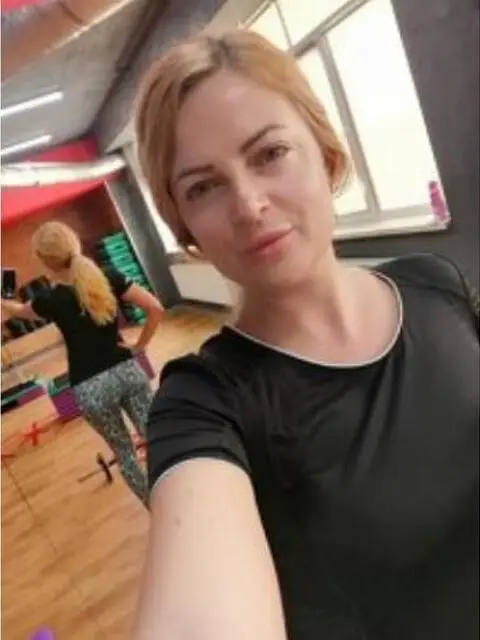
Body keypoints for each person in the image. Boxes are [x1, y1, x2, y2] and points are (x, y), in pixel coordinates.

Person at [131, 29, 479, 639]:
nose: (249, 205)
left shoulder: (436, 284)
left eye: (269, 153)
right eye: (204, 187)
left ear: (327, 153)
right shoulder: (202, 406)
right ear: (185, 228)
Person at [1, 222, 163, 506]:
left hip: (90, 388)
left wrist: (3, 296)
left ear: (45, 260)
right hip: (126, 372)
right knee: (159, 440)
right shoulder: (108, 276)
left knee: (125, 454)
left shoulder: (49, 299)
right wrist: (140, 346)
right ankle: (181, 498)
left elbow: (16, 310)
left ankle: (157, 509)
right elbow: (155, 308)